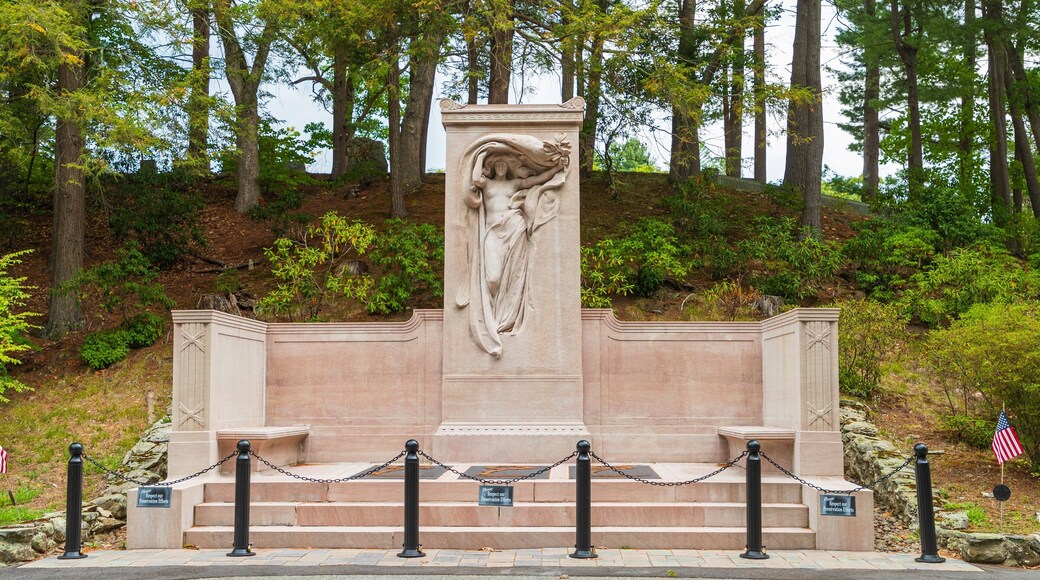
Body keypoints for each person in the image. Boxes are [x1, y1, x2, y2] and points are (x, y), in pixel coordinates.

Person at [456, 135, 571, 357]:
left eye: (504, 163)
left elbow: (537, 180)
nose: (500, 166)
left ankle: (506, 319)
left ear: (508, 167)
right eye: (497, 163)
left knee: (515, 274)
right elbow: (476, 178)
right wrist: (481, 154)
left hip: (514, 226)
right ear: (493, 167)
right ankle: (492, 315)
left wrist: (557, 168)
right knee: (492, 278)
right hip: (492, 232)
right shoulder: (486, 183)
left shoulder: (514, 183)